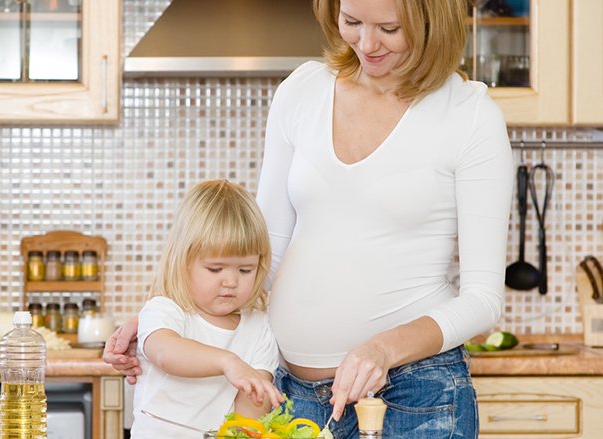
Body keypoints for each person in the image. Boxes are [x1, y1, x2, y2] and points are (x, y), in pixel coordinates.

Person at [106, 0, 514, 437]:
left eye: (390, 28)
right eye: (352, 21)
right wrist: (177, 317)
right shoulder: (304, 90)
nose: (366, 43)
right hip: (291, 397)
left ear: (434, 20)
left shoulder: (469, 116)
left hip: (412, 396)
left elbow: (483, 301)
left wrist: (381, 349)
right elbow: (265, 254)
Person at [128, 179, 284, 439]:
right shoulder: (165, 311)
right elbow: (166, 352)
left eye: (245, 270)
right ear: (184, 260)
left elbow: (251, 412)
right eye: (215, 269)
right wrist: (228, 362)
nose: (231, 282)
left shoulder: (259, 328)